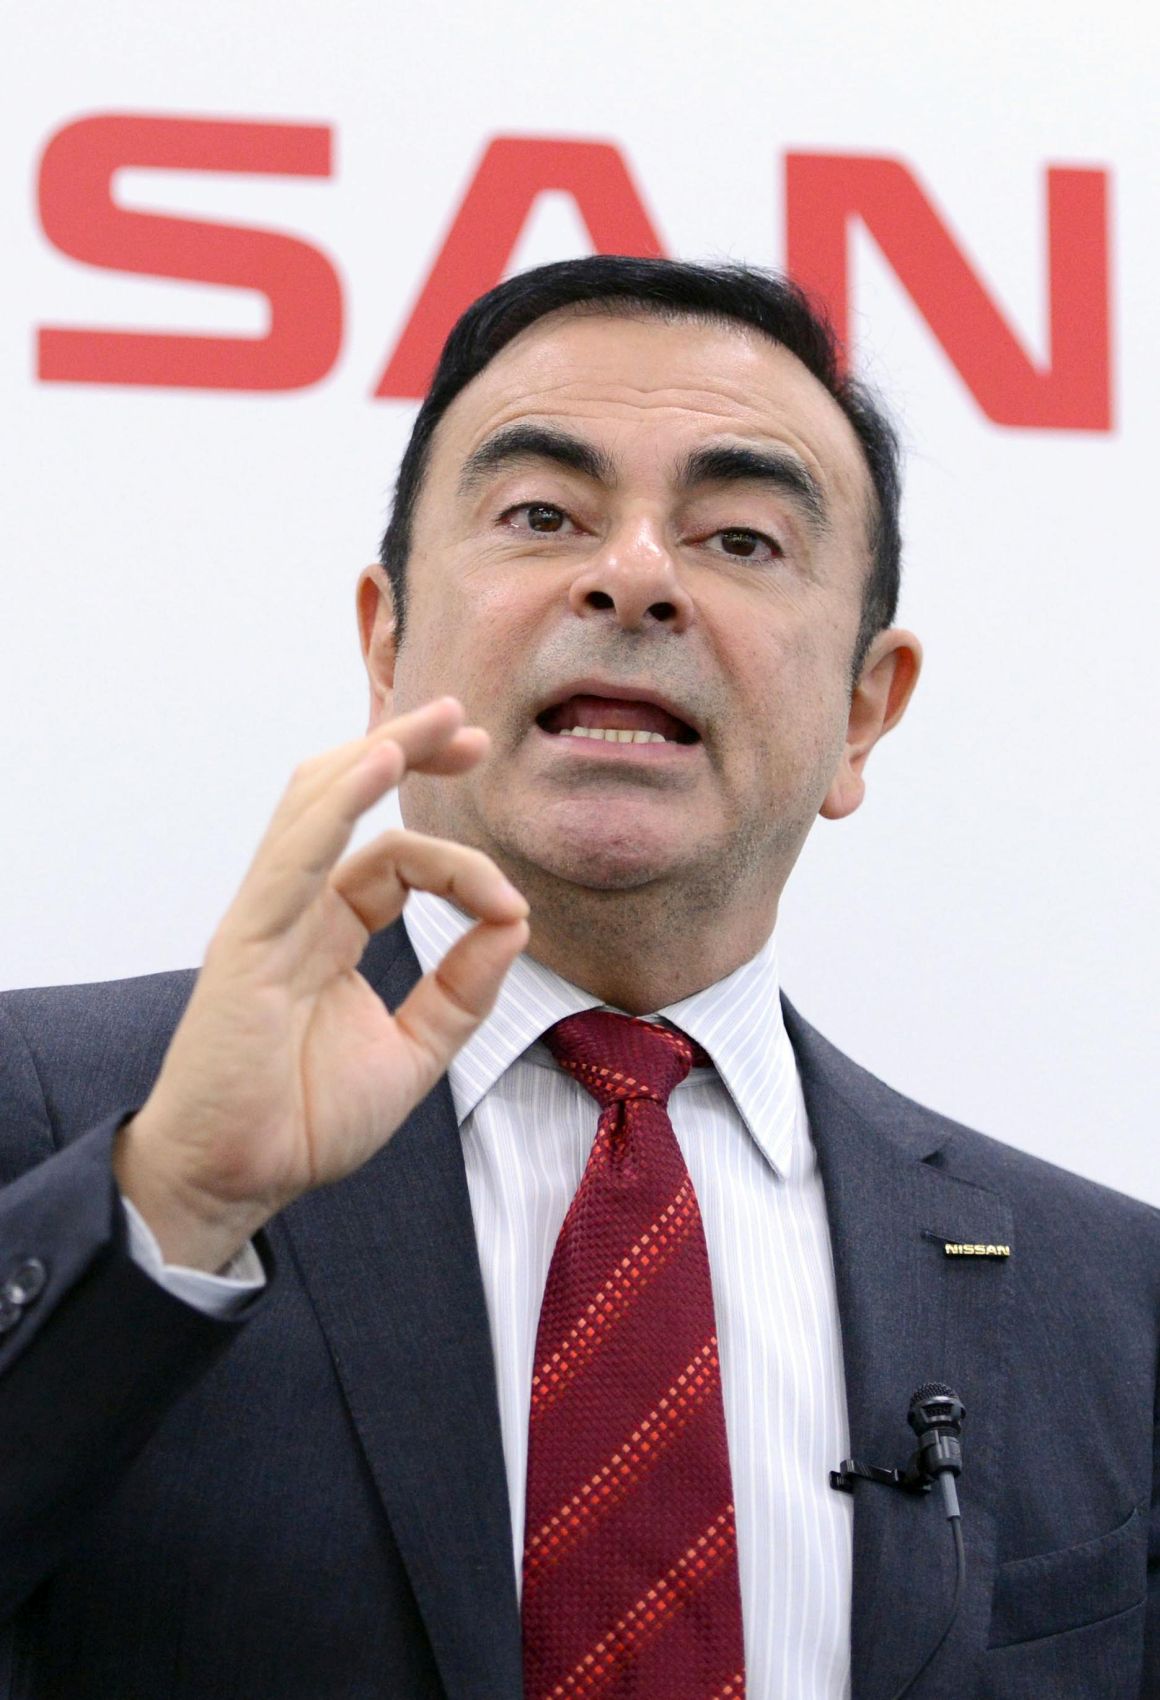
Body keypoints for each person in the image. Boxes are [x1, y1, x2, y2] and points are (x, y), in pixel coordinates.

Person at [0, 257, 1155, 1700]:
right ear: (386, 645)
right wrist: (174, 1198)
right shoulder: (60, 1119)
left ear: (866, 711)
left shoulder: (1109, 1302)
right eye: (544, 515)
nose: (638, 575)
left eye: (741, 539)